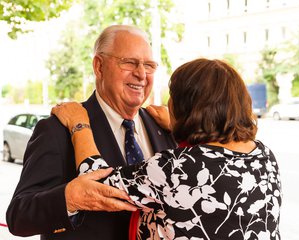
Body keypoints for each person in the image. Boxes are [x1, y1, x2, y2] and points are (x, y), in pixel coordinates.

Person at [52, 58, 282, 239]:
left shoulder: (177, 167)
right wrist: (181, 125)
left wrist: (79, 125)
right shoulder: (265, 157)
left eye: (173, 97)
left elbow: (97, 183)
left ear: (186, 106)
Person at [6, 25, 176, 240]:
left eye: (149, 65)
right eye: (129, 62)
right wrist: (70, 199)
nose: (141, 74)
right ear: (99, 66)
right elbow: (19, 216)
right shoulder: (58, 129)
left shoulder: (165, 127)